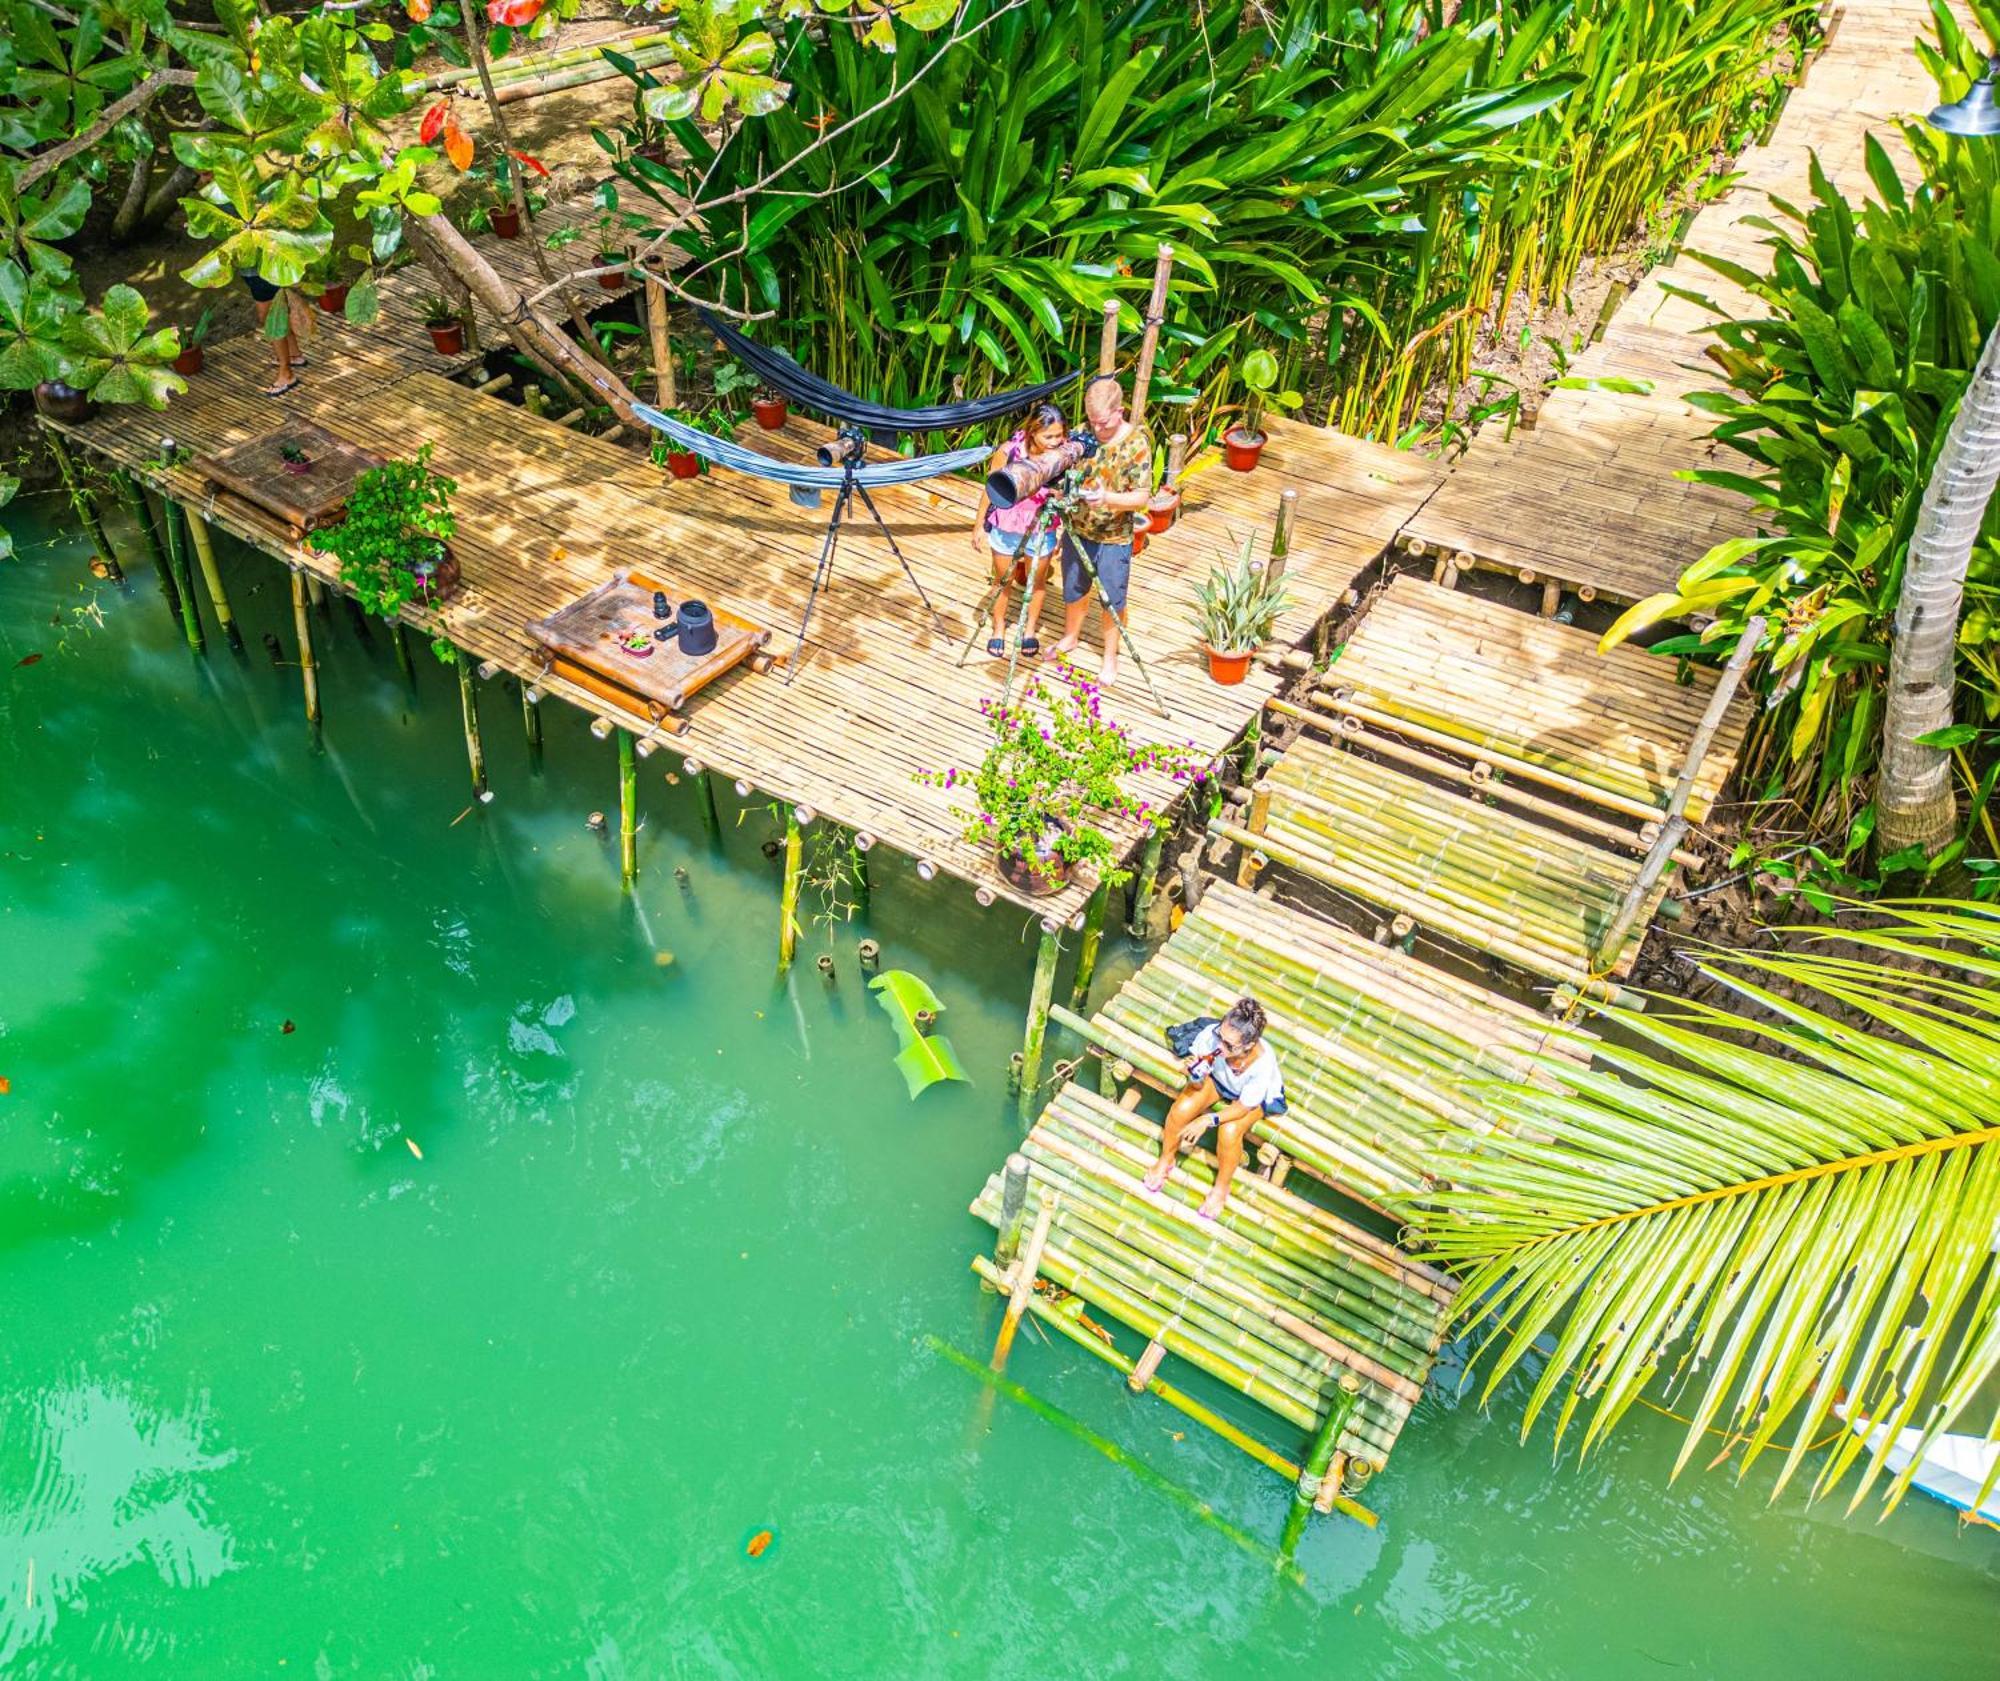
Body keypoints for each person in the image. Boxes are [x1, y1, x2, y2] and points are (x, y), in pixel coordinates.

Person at [1143, 996, 1286, 1219]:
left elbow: (1241, 1108)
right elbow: (1197, 1082)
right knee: (1182, 1109)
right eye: (1220, 1035)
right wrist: (1194, 1075)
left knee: (1229, 1132)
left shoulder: (1262, 1064)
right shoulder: (1211, 1038)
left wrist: (1207, 1120)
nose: (1220, 1046)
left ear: (1248, 1045)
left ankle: (1221, 1187)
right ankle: (1166, 1158)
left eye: (1229, 1045)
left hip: (1251, 1100)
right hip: (1219, 1080)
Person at [1055, 373, 1152, 688]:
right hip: (1077, 528)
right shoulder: (1083, 435)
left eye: (1105, 424)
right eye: (1093, 423)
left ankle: (1110, 656)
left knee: (1112, 599)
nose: (1098, 430)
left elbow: (1141, 498)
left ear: (1119, 413)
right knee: (1072, 587)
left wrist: (1107, 498)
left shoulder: (1135, 443)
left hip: (1113, 537)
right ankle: (1070, 636)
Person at [971, 403, 1070, 659]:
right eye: (1048, 436)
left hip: (1041, 526)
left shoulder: (1062, 455)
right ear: (1033, 431)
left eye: (1059, 435)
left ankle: (1029, 630)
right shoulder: (1010, 452)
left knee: (1036, 582)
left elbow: (1065, 494)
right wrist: (979, 525)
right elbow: (990, 489)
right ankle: (999, 628)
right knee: (1002, 580)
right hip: (1007, 525)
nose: (1054, 441)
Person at [244, 269, 308, 397]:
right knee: (277, 312)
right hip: (255, 272)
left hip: (261, 272)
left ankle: (286, 374)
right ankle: (294, 355)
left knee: (271, 319)